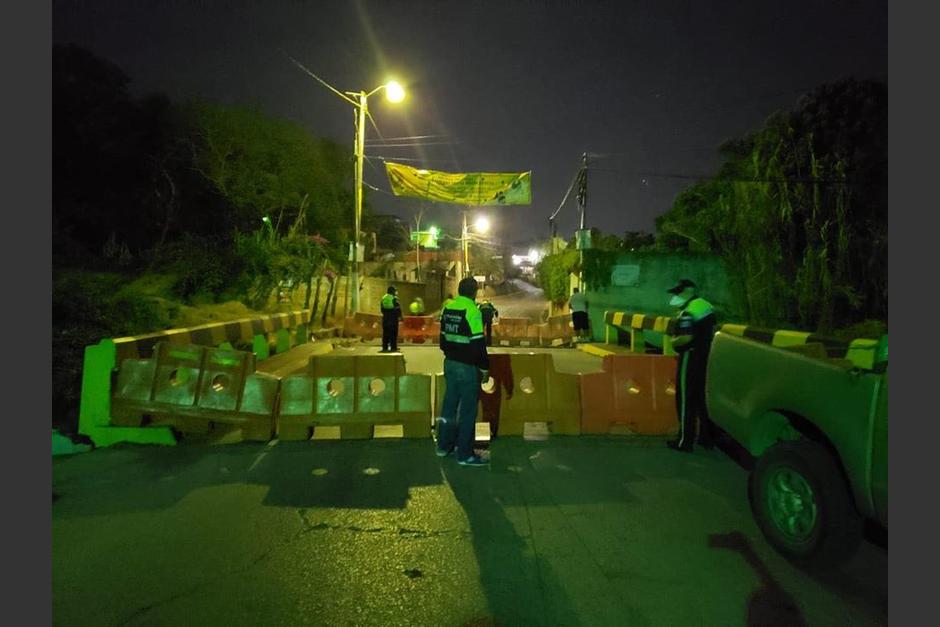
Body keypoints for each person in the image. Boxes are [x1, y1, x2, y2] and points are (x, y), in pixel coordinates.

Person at [436, 277, 490, 466]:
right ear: (475, 292)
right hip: (467, 368)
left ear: (459, 290)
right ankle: (465, 454)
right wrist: (484, 368)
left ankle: (443, 447)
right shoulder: (472, 311)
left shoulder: (448, 308)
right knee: (467, 411)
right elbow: (478, 344)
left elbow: (442, 340)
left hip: (449, 363)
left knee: (449, 407)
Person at [665, 278, 718, 452]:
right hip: (707, 356)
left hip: (690, 356)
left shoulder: (689, 311)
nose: (676, 296)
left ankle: (684, 441)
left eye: (678, 292)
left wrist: (674, 342)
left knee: (686, 399)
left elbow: (686, 337)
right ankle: (706, 437)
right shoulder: (706, 306)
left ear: (688, 291)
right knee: (702, 399)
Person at [380, 286, 403, 353]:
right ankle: (393, 347)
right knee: (393, 333)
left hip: (385, 318)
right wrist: (400, 317)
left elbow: (381, 309)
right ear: (392, 291)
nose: (396, 292)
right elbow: (398, 309)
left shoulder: (383, 298)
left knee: (385, 333)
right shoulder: (394, 298)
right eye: (395, 291)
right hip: (393, 319)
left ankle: (385, 347)